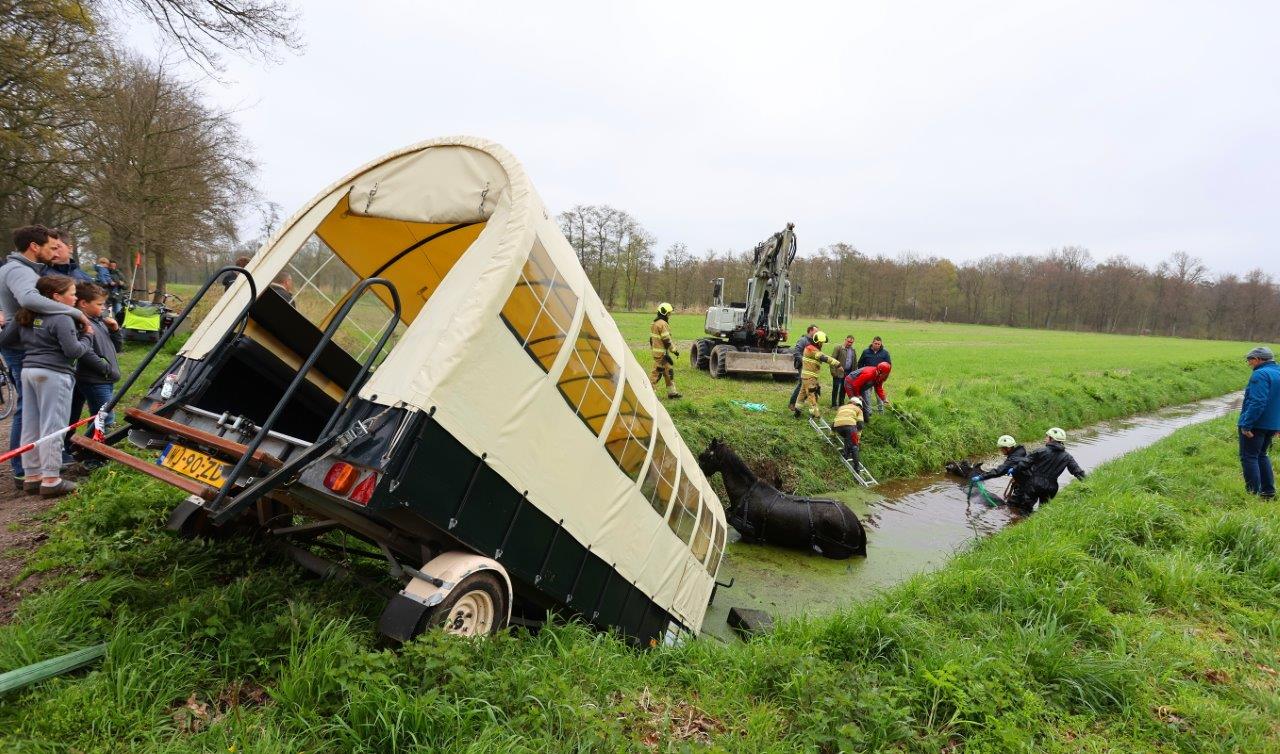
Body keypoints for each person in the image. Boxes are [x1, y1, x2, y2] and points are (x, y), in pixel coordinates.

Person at [0, 225, 90, 490]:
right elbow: (29, 300)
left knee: (30, 414)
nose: (55, 253)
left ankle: (31, 473)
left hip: (25, 352)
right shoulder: (20, 271)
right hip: (35, 354)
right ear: (34, 247)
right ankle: (47, 476)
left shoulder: (9, 269)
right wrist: (75, 314)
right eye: (51, 247)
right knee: (46, 417)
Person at [65, 283, 122, 468]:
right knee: (104, 418)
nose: (103, 308)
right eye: (99, 304)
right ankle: (91, 457)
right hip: (95, 379)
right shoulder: (81, 324)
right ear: (83, 303)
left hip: (102, 379)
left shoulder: (100, 321)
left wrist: (114, 330)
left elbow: (117, 348)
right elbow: (85, 352)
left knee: (82, 415)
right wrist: (107, 369)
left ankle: (72, 447)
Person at [1010, 427, 1086, 512]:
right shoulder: (1067, 456)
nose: (1045, 438)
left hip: (1034, 485)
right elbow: (1077, 471)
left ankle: (1018, 522)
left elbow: (1024, 464)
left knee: (1025, 509)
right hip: (1052, 488)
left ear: (1052, 439)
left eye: (1047, 436)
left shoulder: (1040, 451)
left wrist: (1014, 470)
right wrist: (1087, 482)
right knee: (1043, 511)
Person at [1239, 346, 1279, 499]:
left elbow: (1257, 402)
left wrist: (1246, 424)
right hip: (1272, 424)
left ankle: (1252, 494)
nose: (1250, 365)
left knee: (1249, 457)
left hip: (1256, 424)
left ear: (1258, 359)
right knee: (1262, 455)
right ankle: (1268, 492)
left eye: (1250, 361)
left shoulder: (1260, 374)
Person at [792, 330, 838, 419]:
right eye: (822, 343)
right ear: (818, 342)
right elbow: (824, 357)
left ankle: (797, 412)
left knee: (801, 395)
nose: (822, 344)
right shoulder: (811, 349)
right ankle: (815, 415)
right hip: (810, 378)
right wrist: (838, 364)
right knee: (811, 395)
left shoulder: (811, 348)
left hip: (806, 377)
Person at [971, 434, 1028, 502]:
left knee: (1016, 506)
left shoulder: (1013, 459)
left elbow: (998, 471)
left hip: (1028, 486)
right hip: (1026, 482)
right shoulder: (1021, 453)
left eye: (1001, 448)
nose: (1001, 450)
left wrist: (981, 477)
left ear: (1008, 448)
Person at [648, 302, 681, 399]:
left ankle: (672, 393)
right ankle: (649, 394)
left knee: (668, 372)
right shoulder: (663, 324)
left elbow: (651, 340)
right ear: (664, 313)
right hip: (661, 354)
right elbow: (667, 340)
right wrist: (674, 350)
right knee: (656, 374)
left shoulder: (654, 323)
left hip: (659, 353)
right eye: (669, 313)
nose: (669, 315)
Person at [787, 324, 818, 410]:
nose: (817, 333)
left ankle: (798, 404)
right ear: (810, 331)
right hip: (802, 366)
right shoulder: (803, 340)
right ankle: (792, 404)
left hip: (810, 368)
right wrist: (805, 362)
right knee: (801, 384)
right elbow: (796, 353)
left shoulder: (813, 342)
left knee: (804, 386)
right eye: (816, 331)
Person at [832, 395, 865, 467]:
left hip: (838, 427)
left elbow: (835, 420)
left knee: (847, 438)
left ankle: (846, 454)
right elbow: (860, 426)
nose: (859, 407)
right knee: (854, 445)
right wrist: (857, 440)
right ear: (856, 404)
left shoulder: (841, 407)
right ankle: (857, 468)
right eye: (859, 405)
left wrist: (832, 433)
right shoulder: (859, 410)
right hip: (850, 426)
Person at [830, 334, 857, 408]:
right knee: (835, 388)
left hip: (848, 373)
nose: (849, 343)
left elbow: (854, 362)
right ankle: (834, 404)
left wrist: (854, 374)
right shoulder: (838, 348)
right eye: (848, 341)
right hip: (838, 372)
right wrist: (833, 372)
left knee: (844, 389)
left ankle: (841, 403)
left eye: (851, 342)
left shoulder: (853, 350)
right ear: (845, 340)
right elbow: (832, 360)